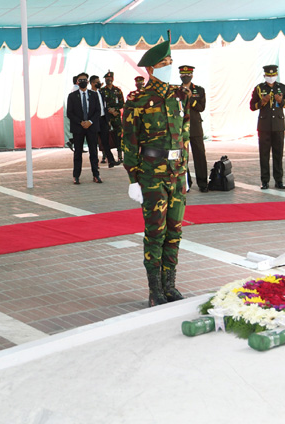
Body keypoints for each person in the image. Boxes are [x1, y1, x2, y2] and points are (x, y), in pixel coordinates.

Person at [122, 33, 189, 307]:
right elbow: (129, 141)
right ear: (150, 68)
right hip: (151, 175)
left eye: (170, 62)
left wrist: (186, 169)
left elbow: (184, 134)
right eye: (164, 63)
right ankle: (155, 290)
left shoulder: (179, 96)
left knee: (175, 231)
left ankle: (169, 285)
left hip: (176, 173)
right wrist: (133, 178)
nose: (169, 66)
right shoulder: (137, 99)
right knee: (155, 233)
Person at [249, 64, 285, 190]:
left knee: (278, 154)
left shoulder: (282, 88)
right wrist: (262, 102)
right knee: (264, 154)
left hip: (278, 125)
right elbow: (252, 106)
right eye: (268, 75)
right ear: (264, 75)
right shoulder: (259, 88)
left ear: (276, 75)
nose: (271, 77)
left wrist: (281, 101)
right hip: (264, 126)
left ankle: (279, 180)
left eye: (273, 75)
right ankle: (265, 181)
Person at [66, 72, 102, 184]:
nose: (82, 82)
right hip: (78, 128)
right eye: (80, 80)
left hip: (91, 127)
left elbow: (98, 111)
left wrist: (90, 122)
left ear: (88, 81)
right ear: (77, 82)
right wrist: (80, 122)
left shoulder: (94, 95)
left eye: (84, 80)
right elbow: (69, 113)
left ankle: (96, 175)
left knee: (93, 152)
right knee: (78, 153)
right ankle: (76, 176)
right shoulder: (72, 96)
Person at [179, 65, 209, 192]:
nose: (185, 77)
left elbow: (201, 108)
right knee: (182, 157)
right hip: (181, 128)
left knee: (200, 156)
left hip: (195, 127)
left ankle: (203, 183)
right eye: (183, 74)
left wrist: (191, 98)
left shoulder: (199, 90)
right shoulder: (176, 91)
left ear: (192, 75)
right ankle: (186, 183)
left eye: (188, 74)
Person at [89, 75, 117, 168]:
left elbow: (104, 107)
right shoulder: (89, 94)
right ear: (92, 83)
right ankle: (95, 163)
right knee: (94, 143)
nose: (99, 83)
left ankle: (111, 160)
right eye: (97, 82)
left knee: (106, 141)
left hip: (103, 119)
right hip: (93, 121)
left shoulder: (101, 93)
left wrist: (107, 120)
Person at [101, 70, 125, 164]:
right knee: (105, 136)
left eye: (110, 78)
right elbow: (100, 104)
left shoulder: (117, 90)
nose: (108, 80)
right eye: (107, 78)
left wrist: (115, 110)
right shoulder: (102, 91)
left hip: (116, 116)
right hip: (106, 116)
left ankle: (120, 156)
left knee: (118, 135)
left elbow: (122, 103)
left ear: (113, 79)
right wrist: (108, 110)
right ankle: (104, 156)